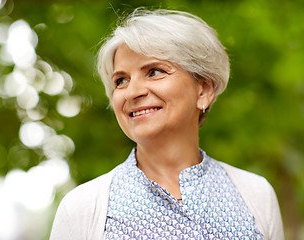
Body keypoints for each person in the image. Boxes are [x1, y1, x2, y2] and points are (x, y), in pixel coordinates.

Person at [50, 8, 284, 240]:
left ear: (203, 90)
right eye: (121, 80)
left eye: (154, 72)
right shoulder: (81, 209)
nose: (132, 92)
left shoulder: (256, 195)